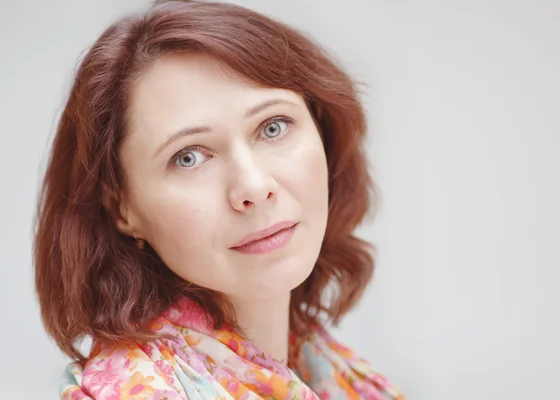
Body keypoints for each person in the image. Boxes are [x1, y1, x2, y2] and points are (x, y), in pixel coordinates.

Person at [34, 1, 406, 398]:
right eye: (189, 157)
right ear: (121, 207)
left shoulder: (336, 373)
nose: (253, 186)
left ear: (323, 131)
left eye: (273, 127)